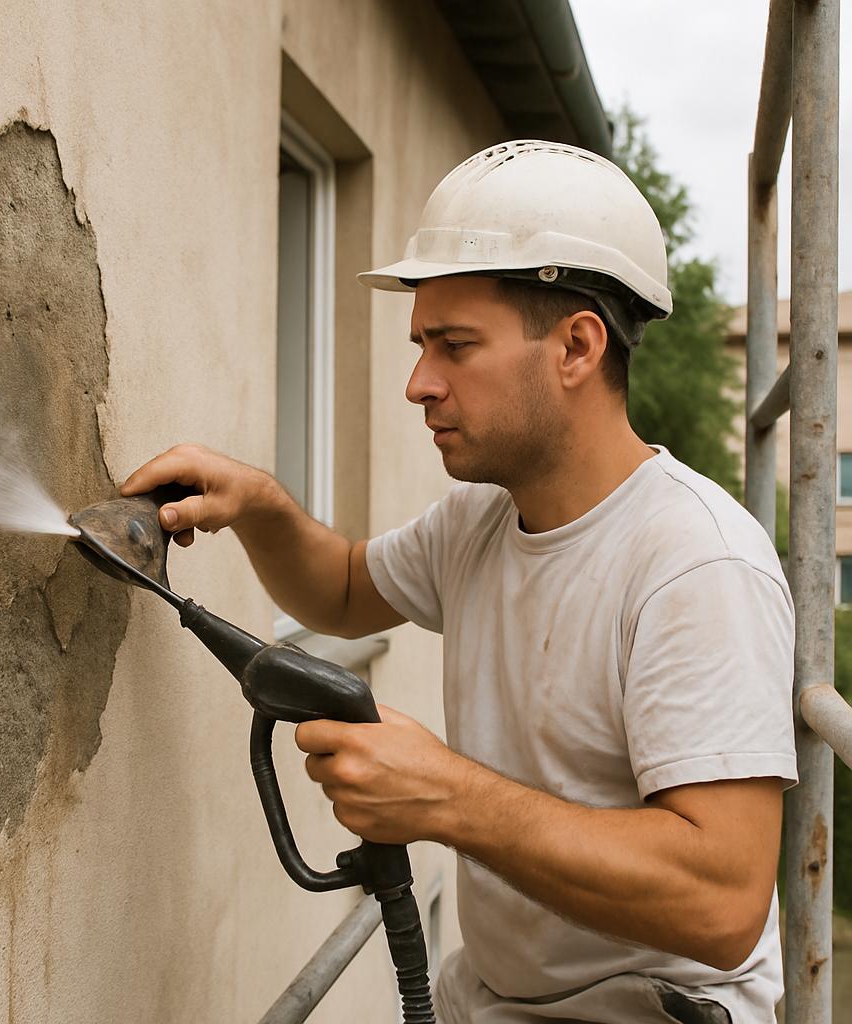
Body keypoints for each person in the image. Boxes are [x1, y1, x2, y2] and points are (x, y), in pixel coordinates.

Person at [122, 141, 796, 1023]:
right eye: (421, 345)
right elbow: (343, 591)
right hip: (499, 999)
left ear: (577, 346)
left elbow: (722, 905)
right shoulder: (479, 520)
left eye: (455, 346)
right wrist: (259, 505)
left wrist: (445, 795)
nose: (418, 384)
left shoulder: (696, 566)